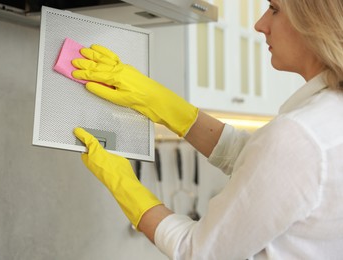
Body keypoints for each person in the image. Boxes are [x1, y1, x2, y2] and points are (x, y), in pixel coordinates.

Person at [71, 0, 343, 259]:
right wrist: (163, 104)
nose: (260, 24)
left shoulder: (302, 134)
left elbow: (196, 252)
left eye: (274, 9)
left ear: (315, 20)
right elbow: (259, 161)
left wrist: (124, 185)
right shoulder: (326, 117)